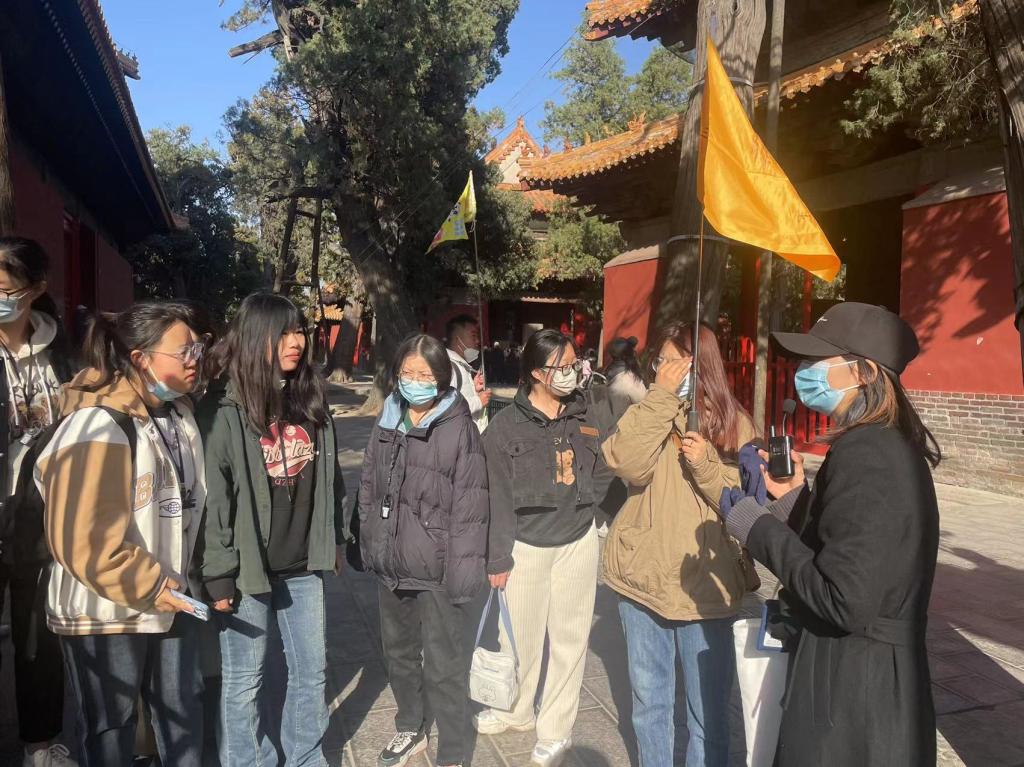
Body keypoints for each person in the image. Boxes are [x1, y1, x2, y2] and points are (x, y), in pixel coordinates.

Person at [724, 302, 941, 766]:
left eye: (819, 359)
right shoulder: (882, 445)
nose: (806, 370)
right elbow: (852, 547)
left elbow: (844, 598)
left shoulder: (869, 452)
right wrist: (793, 502)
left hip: (855, 697)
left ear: (864, 372)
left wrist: (755, 526)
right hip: (868, 683)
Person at [37, 301, 208, 767]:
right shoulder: (95, 425)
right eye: (184, 351)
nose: (195, 360)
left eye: (198, 349)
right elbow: (83, 538)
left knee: (183, 715)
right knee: (110, 730)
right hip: (104, 611)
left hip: (169, 597)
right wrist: (151, 584)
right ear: (140, 358)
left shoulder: (178, 415)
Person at [199, 293, 344, 767]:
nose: (295, 341)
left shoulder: (310, 397)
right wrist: (218, 572)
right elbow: (216, 498)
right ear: (254, 336)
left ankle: (306, 757)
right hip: (248, 570)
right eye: (283, 333)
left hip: (303, 566)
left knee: (311, 673)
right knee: (245, 678)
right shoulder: (225, 408)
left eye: (299, 331)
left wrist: (333, 538)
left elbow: (331, 479)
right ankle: (247, 760)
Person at [602, 322, 756, 767]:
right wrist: (661, 399)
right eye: (661, 360)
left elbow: (743, 500)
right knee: (649, 703)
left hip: (705, 584)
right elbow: (624, 462)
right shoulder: (650, 409)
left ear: (700, 365)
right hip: (643, 574)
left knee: (708, 710)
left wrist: (706, 463)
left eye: (675, 361)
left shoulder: (735, 423)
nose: (664, 369)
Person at [477, 329, 613, 767]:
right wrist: (498, 556)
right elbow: (496, 496)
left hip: (577, 541)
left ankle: (555, 728)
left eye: (575, 363)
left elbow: (608, 462)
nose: (572, 373)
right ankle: (515, 710)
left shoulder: (587, 413)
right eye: (563, 366)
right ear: (536, 373)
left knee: (570, 640)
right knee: (519, 637)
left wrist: (589, 501)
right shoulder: (505, 427)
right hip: (526, 545)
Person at [358, 333, 488, 767]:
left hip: (437, 568)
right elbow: (369, 484)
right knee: (398, 655)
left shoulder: (458, 427)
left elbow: (471, 505)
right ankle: (411, 727)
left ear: (442, 378)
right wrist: (368, 538)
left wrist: (463, 575)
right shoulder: (387, 418)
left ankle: (453, 751)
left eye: (424, 374)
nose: (414, 382)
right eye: (407, 373)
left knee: (445, 666)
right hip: (392, 562)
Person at [0, 238, 77, 767]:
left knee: (37, 639)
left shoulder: (61, 351)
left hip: (43, 517)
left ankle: (41, 747)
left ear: (36, 290)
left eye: (7, 290)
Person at [445, 314, 491, 431]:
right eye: (473, 336)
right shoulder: (449, 367)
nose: (477, 341)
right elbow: (445, 409)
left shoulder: (460, 366)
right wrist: (478, 401)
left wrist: (474, 390)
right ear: (458, 339)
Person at [603, 336, 646, 418]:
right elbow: (643, 403)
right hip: (622, 421)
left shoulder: (607, 370)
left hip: (607, 418)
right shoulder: (628, 379)